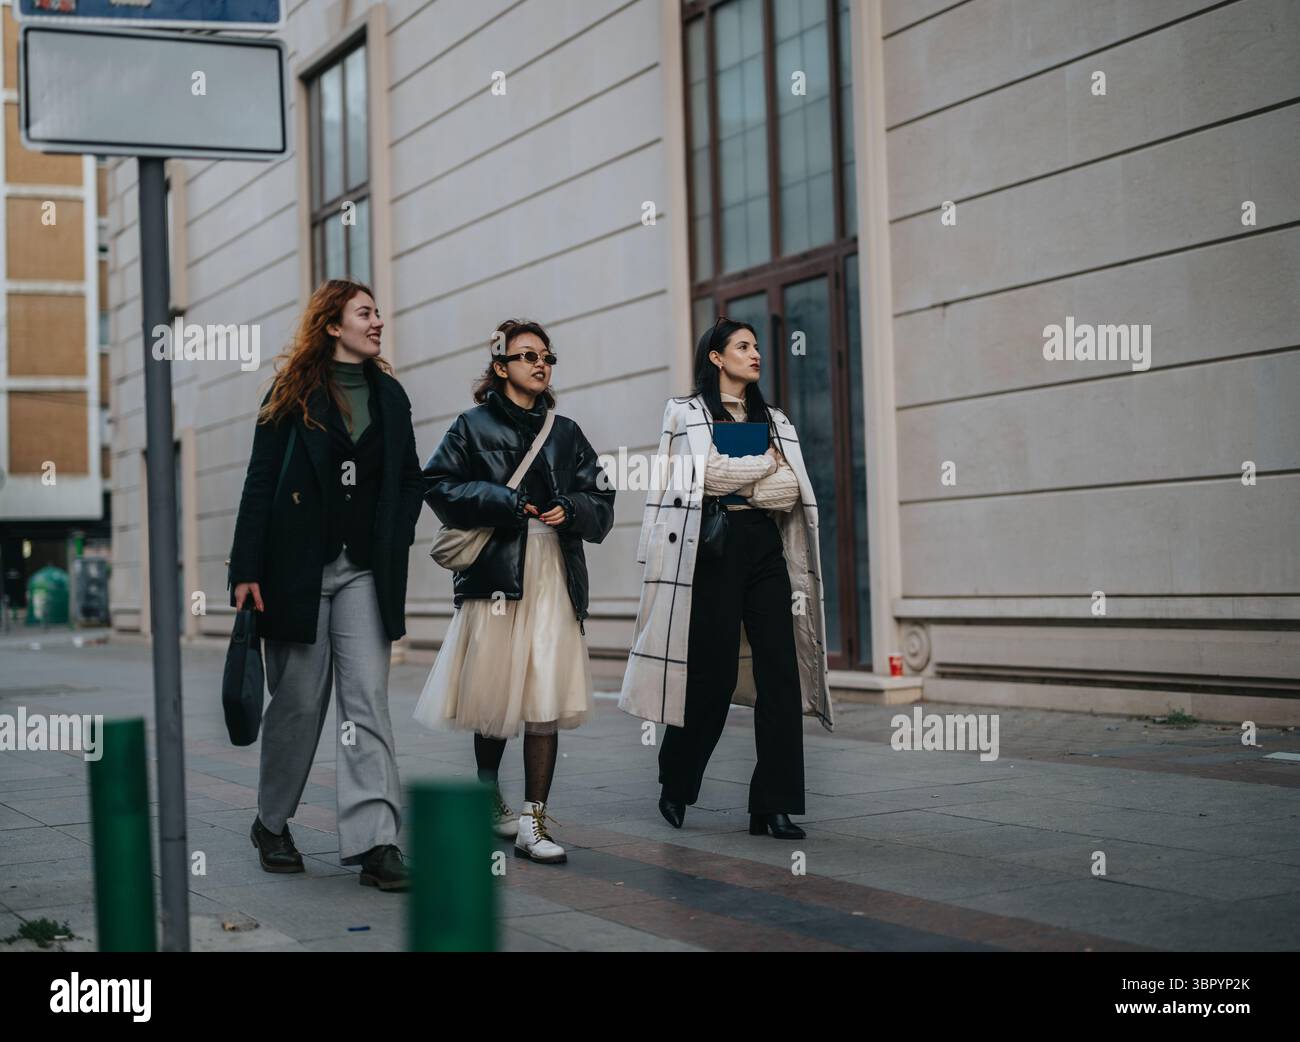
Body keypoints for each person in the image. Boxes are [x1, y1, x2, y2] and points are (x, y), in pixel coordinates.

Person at [227, 279, 424, 891]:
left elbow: (410, 478)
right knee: (298, 704)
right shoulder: (291, 396)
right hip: (296, 571)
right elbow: (260, 483)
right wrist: (245, 571)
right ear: (333, 325)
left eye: (378, 312)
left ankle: (375, 843)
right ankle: (272, 822)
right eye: (365, 313)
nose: (378, 322)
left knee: (367, 701)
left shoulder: (390, 396)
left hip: (365, 571)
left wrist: (396, 533)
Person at [619, 316, 834, 839]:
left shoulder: (776, 418)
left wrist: (746, 480)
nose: (755, 354)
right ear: (716, 357)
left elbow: (791, 490)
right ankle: (677, 781)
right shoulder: (684, 413)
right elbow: (700, 476)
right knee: (710, 677)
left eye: (757, 346)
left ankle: (773, 805)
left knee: (780, 675)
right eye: (743, 346)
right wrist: (762, 467)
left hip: (764, 549)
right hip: (710, 550)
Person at [417, 319, 614, 864]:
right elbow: (436, 484)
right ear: (500, 366)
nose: (540, 365)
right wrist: (502, 503)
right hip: (498, 576)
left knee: (543, 694)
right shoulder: (471, 425)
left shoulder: (567, 431)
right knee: (494, 695)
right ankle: (487, 794)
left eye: (546, 356)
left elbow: (601, 495)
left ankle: (534, 819)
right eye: (527, 356)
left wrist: (572, 509)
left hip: (553, 569)